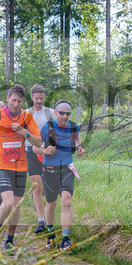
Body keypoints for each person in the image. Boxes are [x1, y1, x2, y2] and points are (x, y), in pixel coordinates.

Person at [0, 85, 43, 248]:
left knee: (15, 206)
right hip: (2, 166)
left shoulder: (26, 117)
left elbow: (38, 141)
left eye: (19, 101)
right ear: (8, 98)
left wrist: (24, 132)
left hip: (20, 167)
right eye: (13, 100)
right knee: (7, 203)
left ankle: (9, 240)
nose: (16, 104)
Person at [40, 100, 86, 250]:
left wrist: (79, 146)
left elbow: (77, 138)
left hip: (67, 168)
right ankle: (51, 233)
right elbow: (36, 147)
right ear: (55, 112)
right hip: (49, 169)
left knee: (66, 202)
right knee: (51, 204)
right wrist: (45, 151)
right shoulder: (47, 127)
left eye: (68, 113)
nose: (65, 116)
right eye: (62, 113)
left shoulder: (73, 126)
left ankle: (65, 239)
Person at [26, 85, 56, 235]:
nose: (38, 101)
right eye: (36, 98)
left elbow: (57, 129)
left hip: (47, 152)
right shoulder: (26, 113)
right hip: (30, 151)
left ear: (44, 98)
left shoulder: (50, 112)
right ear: (31, 97)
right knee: (37, 186)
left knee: (44, 189)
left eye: (41, 98)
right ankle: (40, 221)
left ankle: (38, 204)